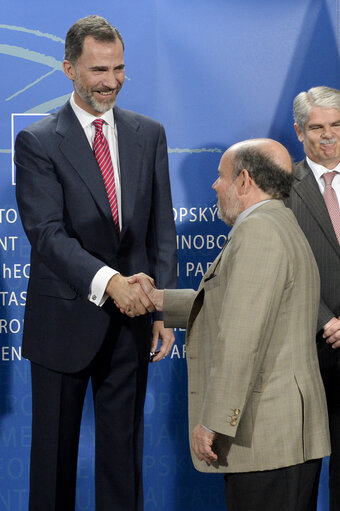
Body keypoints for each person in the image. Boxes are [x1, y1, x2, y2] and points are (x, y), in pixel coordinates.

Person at [14, 14, 177, 511]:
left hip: (131, 325)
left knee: (122, 460)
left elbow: (160, 230)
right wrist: (111, 283)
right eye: (98, 70)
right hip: (63, 321)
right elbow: (46, 233)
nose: (111, 81)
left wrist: (164, 309)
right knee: (54, 462)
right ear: (69, 69)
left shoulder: (148, 133)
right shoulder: (39, 141)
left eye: (119, 68)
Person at [127, 138, 331, 511]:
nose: (214, 186)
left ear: (244, 181)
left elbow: (242, 337)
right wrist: (160, 300)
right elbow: (234, 305)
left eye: (220, 176)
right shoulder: (278, 222)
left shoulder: (258, 234)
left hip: (267, 437)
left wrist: (215, 421)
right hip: (280, 436)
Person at [285, 85, 340, 511]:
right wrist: (325, 319)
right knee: (300, 476)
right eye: (317, 127)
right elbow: (283, 265)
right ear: (300, 132)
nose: (328, 135)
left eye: (337, 125)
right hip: (307, 348)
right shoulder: (283, 188)